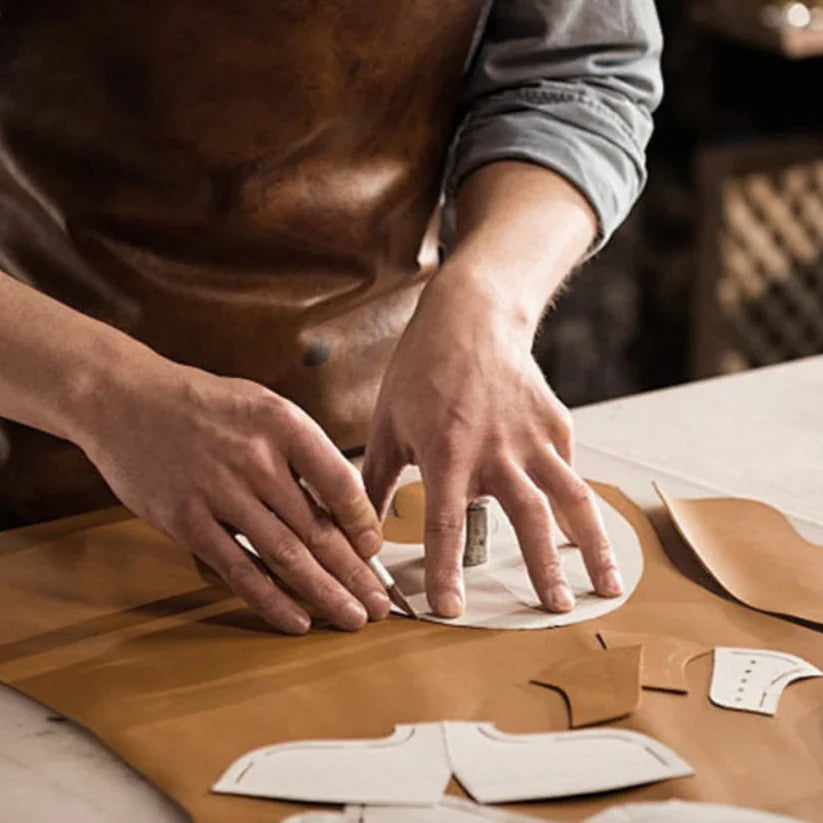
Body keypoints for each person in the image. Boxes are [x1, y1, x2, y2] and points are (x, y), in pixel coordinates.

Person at [0, 2, 662, 634]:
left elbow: (579, 76)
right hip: (33, 457)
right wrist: (105, 393)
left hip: (382, 447)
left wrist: (488, 298)